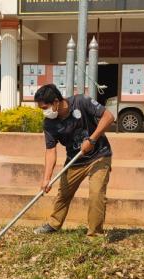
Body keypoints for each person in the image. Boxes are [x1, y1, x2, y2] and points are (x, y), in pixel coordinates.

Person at [32, 84, 115, 237]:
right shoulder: (49, 123)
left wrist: (92, 139)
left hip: (99, 155)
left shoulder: (81, 101)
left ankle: (95, 234)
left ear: (56, 101)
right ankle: (53, 224)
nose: (44, 112)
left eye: (45, 107)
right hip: (75, 160)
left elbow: (109, 117)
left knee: (96, 193)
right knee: (63, 194)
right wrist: (46, 178)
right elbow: (50, 151)